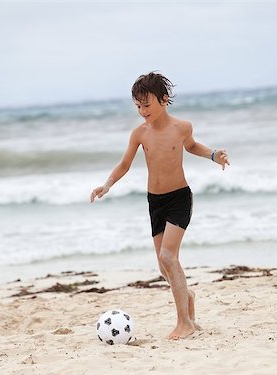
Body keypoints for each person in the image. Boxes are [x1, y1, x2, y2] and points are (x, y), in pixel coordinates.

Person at [90, 72, 230, 340]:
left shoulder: (182, 127)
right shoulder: (139, 134)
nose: (143, 111)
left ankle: (185, 323)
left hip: (179, 197)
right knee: (163, 266)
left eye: (147, 105)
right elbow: (124, 165)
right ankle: (186, 294)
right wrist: (106, 185)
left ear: (164, 100)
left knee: (168, 256)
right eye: (138, 106)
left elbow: (191, 146)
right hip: (155, 201)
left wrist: (213, 155)